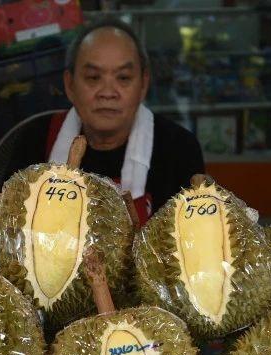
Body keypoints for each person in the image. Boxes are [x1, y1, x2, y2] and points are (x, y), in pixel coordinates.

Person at [34, 18, 204, 224]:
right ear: (70, 85)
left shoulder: (179, 148)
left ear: (143, 84)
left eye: (123, 78)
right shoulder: (34, 139)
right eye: (93, 77)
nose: (107, 93)